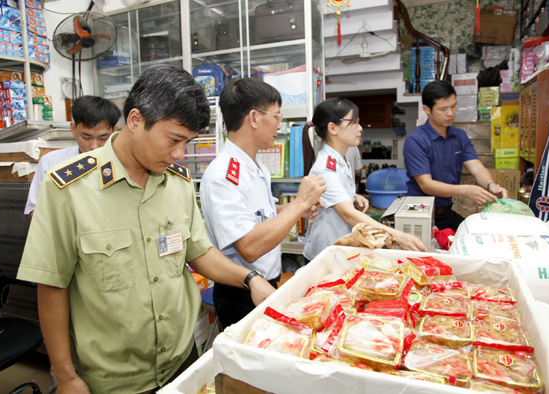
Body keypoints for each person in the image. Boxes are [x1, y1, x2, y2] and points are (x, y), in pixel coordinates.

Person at [16, 65, 275, 394]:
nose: (179, 153)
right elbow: (51, 286)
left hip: (181, 358)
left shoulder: (177, 183)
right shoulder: (69, 189)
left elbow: (198, 251)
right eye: (174, 140)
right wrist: (65, 376)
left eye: (187, 142)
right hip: (113, 378)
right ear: (136, 120)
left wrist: (249, 279)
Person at [200, 78, 326, 329]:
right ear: (254, 118)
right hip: (242, 293)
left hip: (268, 282)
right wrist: (299, 203)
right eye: (277, 116)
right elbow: (249, 246)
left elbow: (260, 214)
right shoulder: (224, 175)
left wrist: (294, 209)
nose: (279, 125)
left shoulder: (254, 166)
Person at [302, 97, 427, 261]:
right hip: (326, 254)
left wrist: (353, 196)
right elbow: (348, 214)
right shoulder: (326, 167)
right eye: (353, 123)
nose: (360, 128)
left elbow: (336, 191)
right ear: (332, 128)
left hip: (340, 249)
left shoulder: (341, 158)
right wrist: (399, 236)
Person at [403, 80, 508, 232]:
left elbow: (477, 168)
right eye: (443, 109)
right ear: (427, 109)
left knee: (473, 233)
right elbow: (426, 184)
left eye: (453, 106)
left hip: (445, 212)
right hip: (419, 214)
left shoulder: (459, 136)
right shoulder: (416, 140)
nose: (450, 113)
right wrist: (466, 190)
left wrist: (491, 185)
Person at [24, 95, 121, 218]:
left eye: (103, 138)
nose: (94, 146)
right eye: (86, 137)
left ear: (114, 131)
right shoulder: (52, 162)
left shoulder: (122, 162)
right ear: (73, 129)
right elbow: (35, 212)